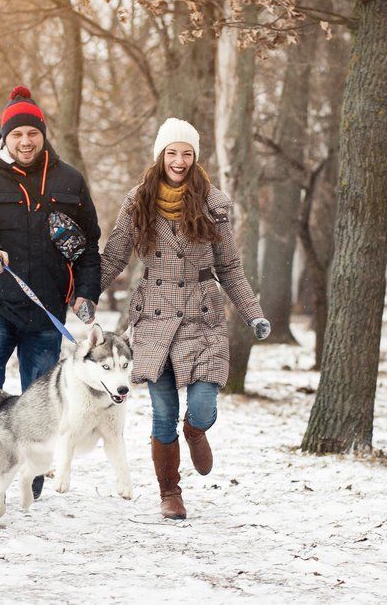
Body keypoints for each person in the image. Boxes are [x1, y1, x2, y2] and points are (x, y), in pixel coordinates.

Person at [100, 117, 270, 520]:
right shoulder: (138, 200)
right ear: (160, 155)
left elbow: (229, 267)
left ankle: (195, 430)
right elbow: (115, 256)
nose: (179, 160)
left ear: (195, 158)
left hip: (201, 316)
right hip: (154, 314)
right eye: (172, 152)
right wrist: (82, 293)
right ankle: (170, 493)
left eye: (187, 153)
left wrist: (254, 314)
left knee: (204, 405)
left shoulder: (214, 205)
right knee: (162, 414)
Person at [0, 86, 100, 502]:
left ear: (42, 134)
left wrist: (86, 293)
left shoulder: (69, 181)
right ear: (5, 138)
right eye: (16, 134)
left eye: (31, 133)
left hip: (45, 309)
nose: (25, 141)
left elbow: (89, 245)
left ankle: (31, 469)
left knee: (40, 396)